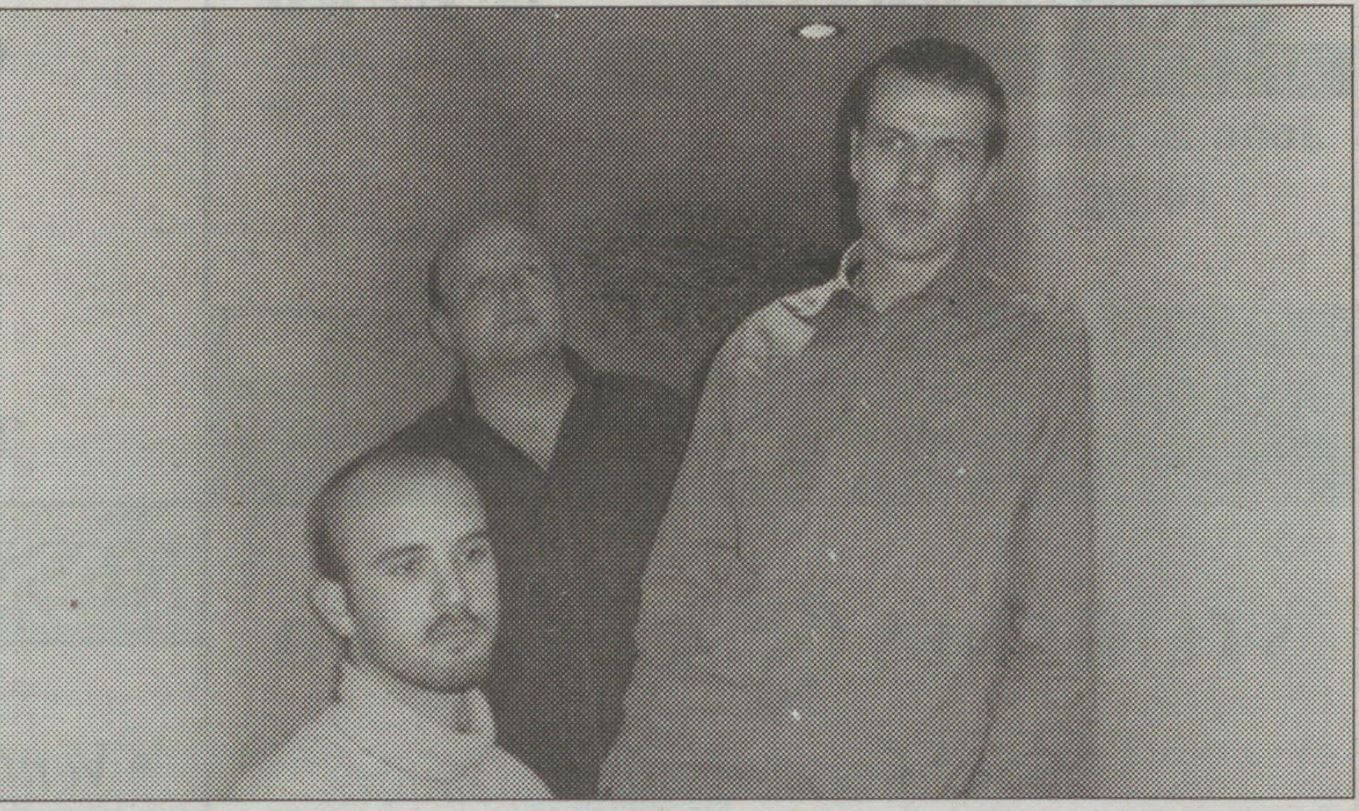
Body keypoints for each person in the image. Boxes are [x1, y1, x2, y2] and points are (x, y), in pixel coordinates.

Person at [601, 38, 1098, 798]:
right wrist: (638, 771)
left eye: (951, 153)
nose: (916, 176)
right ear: (856, 156)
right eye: (894, 143)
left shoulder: (1038, 351)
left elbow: (1054, 633)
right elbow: (684, 578)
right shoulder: (757, 348)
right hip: (708, 767)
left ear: (986, 179)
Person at [383, 216, 688, 798]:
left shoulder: (660, 420)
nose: (513, 292)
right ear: (443, 328)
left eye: (529, 273)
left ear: (558, 295)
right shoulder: (410, 471)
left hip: (680, 772)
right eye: (481, 285)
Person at [233, 450, 550, 799]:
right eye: (408, 567)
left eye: (471, 553)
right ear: (338, 608)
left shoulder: (522, 788)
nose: (456, 594)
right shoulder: (288, 795)